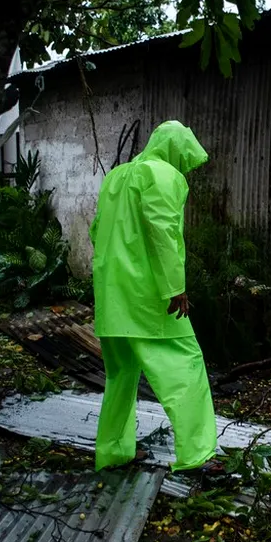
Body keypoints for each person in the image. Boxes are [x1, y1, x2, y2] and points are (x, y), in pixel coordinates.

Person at [90, 120, 220, 474]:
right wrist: (174, 287)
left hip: (111, 296)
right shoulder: (164, 175)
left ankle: (114, 452)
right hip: (148, 298)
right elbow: (162, 232)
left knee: (121, 376)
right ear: (176, 149)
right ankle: (197, 455)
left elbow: (96, 229)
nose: (184, 167)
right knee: (185, 368)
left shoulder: (116, 176)